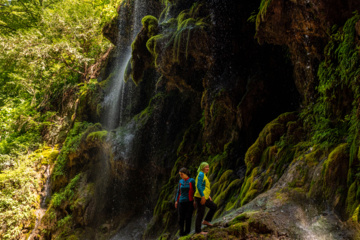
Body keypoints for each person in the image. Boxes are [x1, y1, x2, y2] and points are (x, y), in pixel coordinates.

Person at [194, 162, 217, 235]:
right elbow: (199, 186)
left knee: (213, 206)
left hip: (204, 196)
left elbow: (204, 187)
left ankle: (206, 221)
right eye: (206, 167)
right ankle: (198, 231)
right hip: (200, 197)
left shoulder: (203, 175)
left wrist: (208, 195)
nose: (207, 168)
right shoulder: (201, 174)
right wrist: (203, 197)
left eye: (208, 167)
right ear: (202, 168)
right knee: (200, 213)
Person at [175, 167, 196, 236]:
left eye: (181, 174)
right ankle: (181, 232)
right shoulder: (180, 181)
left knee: (188, 217)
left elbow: (195, 191)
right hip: (181, 202)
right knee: (181, 218)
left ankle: (187, 232)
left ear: (186, 173)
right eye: (180, 174)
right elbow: (178, 191)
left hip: (189, 202)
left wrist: (195, 200)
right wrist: (176, 201)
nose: (180, 176)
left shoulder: (191, 180)